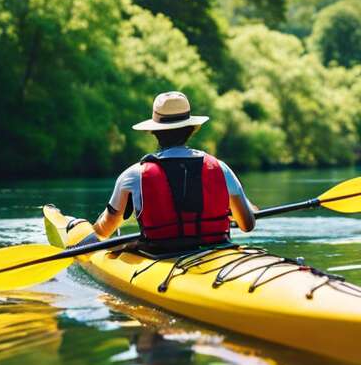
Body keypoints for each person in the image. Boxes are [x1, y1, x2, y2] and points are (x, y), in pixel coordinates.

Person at [91, 91, 256, 253]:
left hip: (160, 255)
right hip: (216, 251)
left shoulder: (133, 175)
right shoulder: (221, 167)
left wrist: (88, 231)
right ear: (191, 129)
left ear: (153, 131)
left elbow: (103, 231)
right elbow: (247, 225)